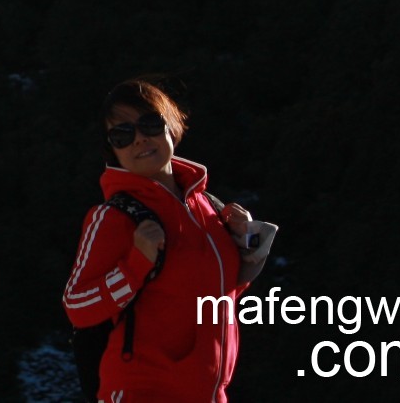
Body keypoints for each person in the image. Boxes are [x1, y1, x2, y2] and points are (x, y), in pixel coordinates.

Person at [62, 79, 263, 403]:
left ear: (171, 125)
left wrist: (245, 243)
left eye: (150, 123)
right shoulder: (114, 217)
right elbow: (77, 306)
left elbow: (211, 293)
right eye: (122, 135)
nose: (139, 138)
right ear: (111, 150)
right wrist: (135, 265)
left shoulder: (208, 207)